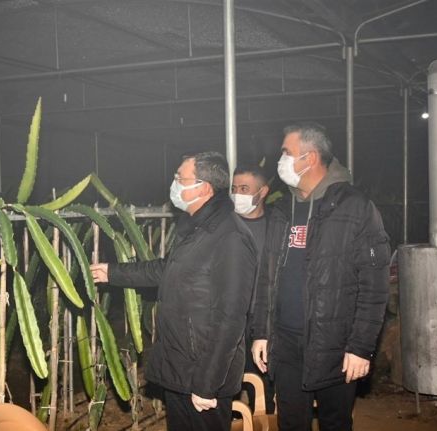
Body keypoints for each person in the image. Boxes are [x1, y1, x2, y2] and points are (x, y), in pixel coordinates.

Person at [90, 151, 257, 431]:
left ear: (203, 188)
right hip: (182, 365)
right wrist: (112, 272)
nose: (174, 184)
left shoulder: (230, 237)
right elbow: (166, 269)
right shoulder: (197, 227)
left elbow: (230, 318)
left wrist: (207, 384)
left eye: (180, 178)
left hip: (203, 372)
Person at [250, 123, 391, 431]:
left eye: (286, 152)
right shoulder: (282, 210)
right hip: (285, 342)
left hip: (335, 343)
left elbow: (375, 285)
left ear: (310, 158)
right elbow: (266, 277)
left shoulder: (354, 207)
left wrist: (361, 346)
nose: (280, 160)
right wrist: (262, 331)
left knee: (335, 423)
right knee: (291, 423)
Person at [230, 164, 275, 412]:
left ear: (263, 191)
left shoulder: (278, 227)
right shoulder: (225, 226)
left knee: (263, 385)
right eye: (234, 188)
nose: (237, 194)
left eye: (244, 189)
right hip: (231, 318)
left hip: (265, 320)